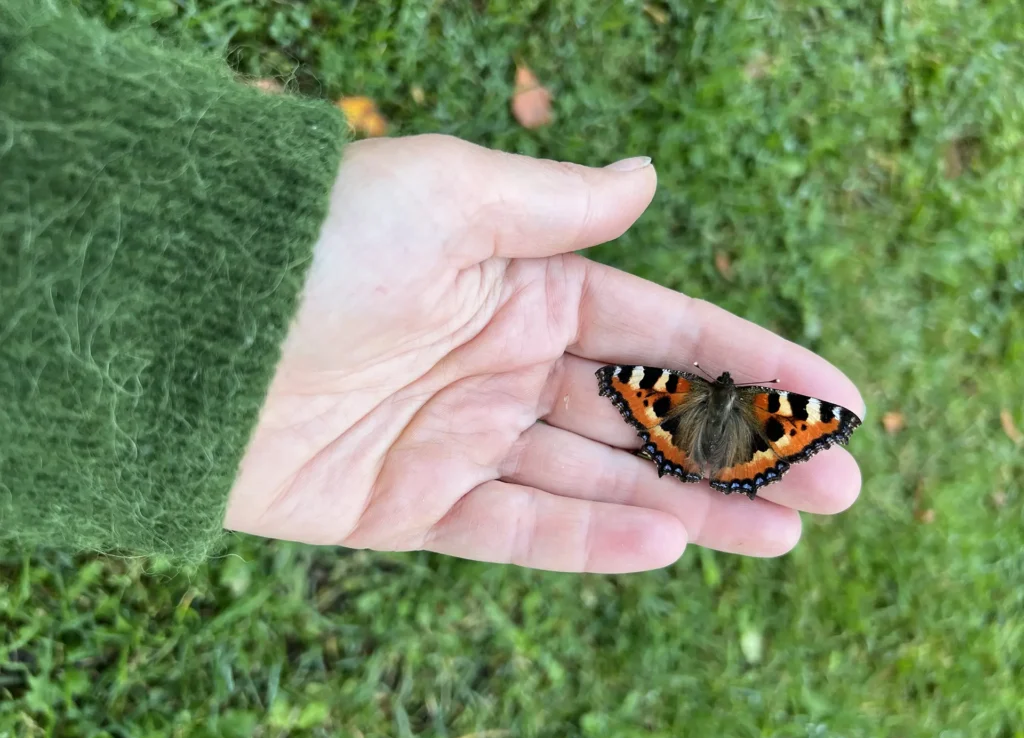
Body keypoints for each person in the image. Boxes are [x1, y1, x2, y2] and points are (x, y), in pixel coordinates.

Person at [1, 1, 863, 573]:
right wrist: (263, 257)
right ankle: (729, 464)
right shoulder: (737, 409)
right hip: (709, 445)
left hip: (668, 431)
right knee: (731, 462)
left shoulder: (658, 395)